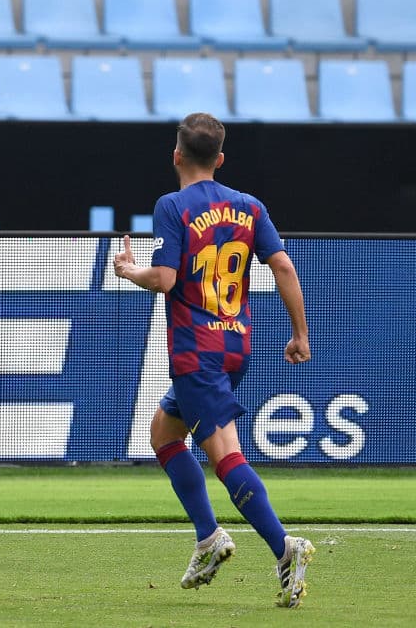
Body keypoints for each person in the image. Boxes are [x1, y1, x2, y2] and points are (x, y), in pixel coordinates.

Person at [112, 113, 315, 608]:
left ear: (176, 155)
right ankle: (207, 539)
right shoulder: (249, 206)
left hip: (195, 352)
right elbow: (283, 264)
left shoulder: (172, 206)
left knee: (226, 456)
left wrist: (128, 269)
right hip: (235, 346)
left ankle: (285, 547)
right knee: (163, 433)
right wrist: (300, 332)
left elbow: (163, 279)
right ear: (220, 160)